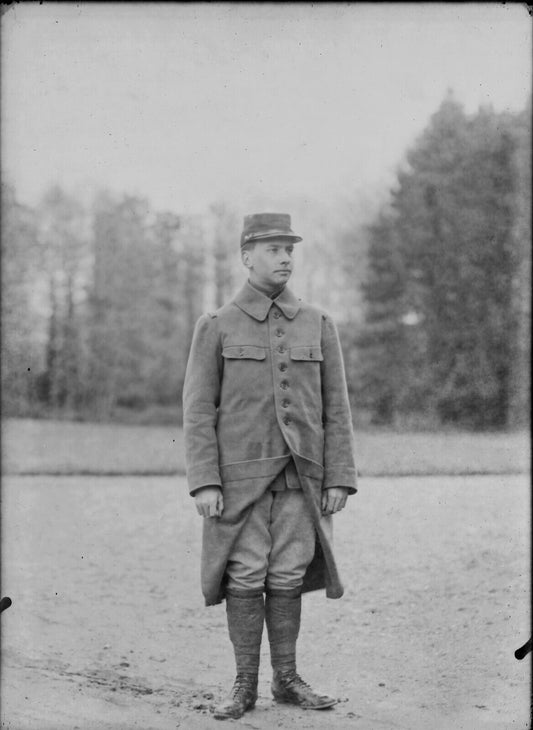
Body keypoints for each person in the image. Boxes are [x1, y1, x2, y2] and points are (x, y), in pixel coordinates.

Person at [182, 212, 357, 720]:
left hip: (303, 481)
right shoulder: (216, 326)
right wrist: (204, 482)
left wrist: (340, 477)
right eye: (273, 248)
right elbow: (197, 411)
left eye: (289, 249)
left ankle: (286, 679)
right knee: (245, 574)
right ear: (246, 256)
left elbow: (336, 409)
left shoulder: (319, 323)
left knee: (287, 574)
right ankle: (243, 685)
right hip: (239, 484)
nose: (285, 257)